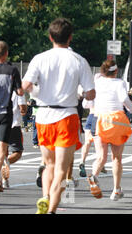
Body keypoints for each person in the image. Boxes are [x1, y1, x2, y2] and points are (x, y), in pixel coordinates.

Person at [22, 18, 95, 214]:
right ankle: (51, 210)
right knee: (62, 171)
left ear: (50, 37)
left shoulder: (39, 58)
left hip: (44, 115)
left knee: (49, 164)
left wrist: (28, 93)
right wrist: (81, 93)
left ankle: (45, 197)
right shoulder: (79, 60)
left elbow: (26, 85)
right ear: (70, 38)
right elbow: (91, 93)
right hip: (66, 115)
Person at [86, 60, 132, 201]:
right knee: (116, 158)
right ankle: (116, 190)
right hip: (116, 120)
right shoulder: (119, 83)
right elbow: (123, 98)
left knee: (101, 156)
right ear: (116, 71)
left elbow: (88, 101)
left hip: (99, 118)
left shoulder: (97, 82)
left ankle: (94, 176)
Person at [0, 41, 24, 196]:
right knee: (1, 147)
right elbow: (19, 92)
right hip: (5, 113)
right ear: (6, 54)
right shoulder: (12, 70)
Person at [78, 73, 103, 178]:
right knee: (100, 143)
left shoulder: (91, 91)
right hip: (99, 117)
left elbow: (85, 105)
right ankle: (100, 162)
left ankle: (82, 161)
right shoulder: (103, 91)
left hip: (90, 116)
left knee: (87, 142)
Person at [1, 92, 27, 189]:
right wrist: (25, 109)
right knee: (17, 152)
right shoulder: (17, 90)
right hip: (13, 124)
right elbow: (22, 108)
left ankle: (4, 180)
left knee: (2, 152)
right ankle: (2, 165)